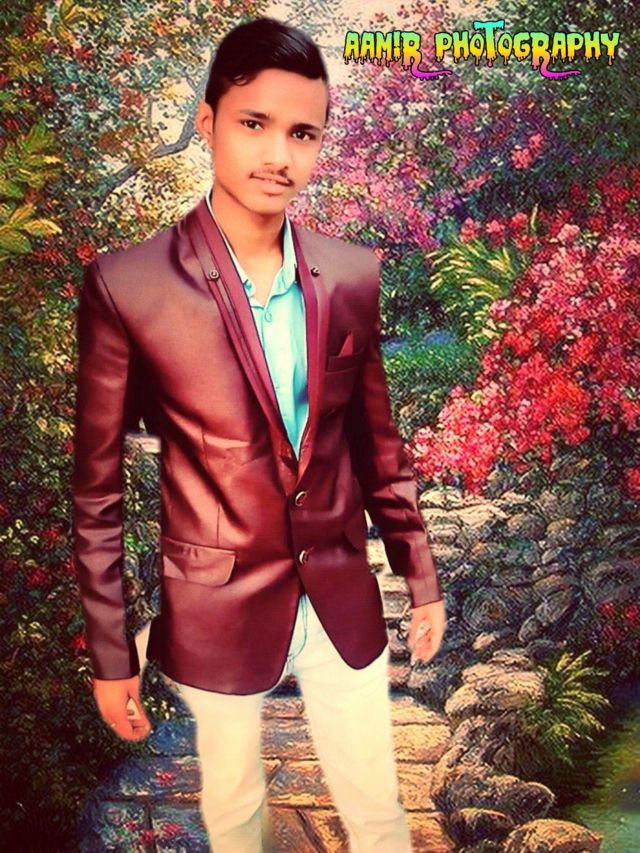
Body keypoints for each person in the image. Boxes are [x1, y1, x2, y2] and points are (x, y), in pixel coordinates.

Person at [72, 16, 446, 853]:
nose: (279, 155)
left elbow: (378, 445)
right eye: (255, 124)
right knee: (236, 813)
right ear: (207, 123)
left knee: (380, 813)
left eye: (302, 133)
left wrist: (419, 574)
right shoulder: (128, 285)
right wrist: (111, 651)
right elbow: (96, 492)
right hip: (218, 600)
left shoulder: (351, 274)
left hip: (340, 592)